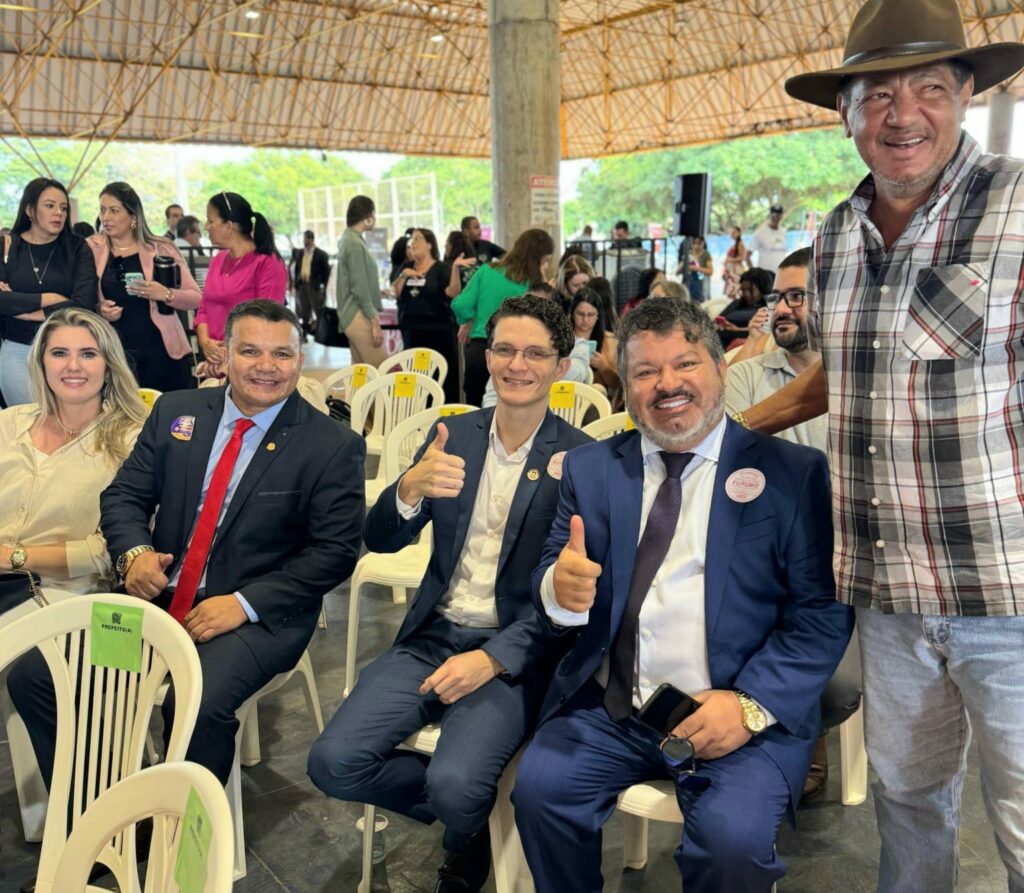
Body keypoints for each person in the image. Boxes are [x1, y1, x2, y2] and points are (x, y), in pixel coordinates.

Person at [735, 0, 1024, 887]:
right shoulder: (833, 239)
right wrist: (724, 430)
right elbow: (844, 377)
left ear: (966, 95)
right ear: (846, 113)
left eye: (929, 88)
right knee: (908, 796)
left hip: (1005, 590)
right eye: (877, 95)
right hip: (885, 590)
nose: (903, 115)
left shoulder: (1017, 206)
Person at [511, 297, 853, 892]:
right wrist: (557, 588)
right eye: (645, 372)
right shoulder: (591, 470)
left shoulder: (792, 474)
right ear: (628, 387)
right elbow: (553, 571)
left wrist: (749, 706)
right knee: (541, 794)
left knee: (732, 846)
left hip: (738, 716)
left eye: (686, 364)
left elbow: (821, 616)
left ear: (723, 368)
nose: (667, 384)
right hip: (610, 709)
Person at [11, 301, 368, 799]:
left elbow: (333, 552)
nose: (266, 366)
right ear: (224, 354)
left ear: (299, 358)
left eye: (281, 354)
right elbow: (124, 497)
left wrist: (242, 605)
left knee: (195, 700)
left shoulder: (330, 444)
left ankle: (178, 847)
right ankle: (95, 827)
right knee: (42, 675)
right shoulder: (178, 412)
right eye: (249, 351)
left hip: (256, 616)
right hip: (155, 600)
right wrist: (133, 554)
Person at [308, 295, 591, 893]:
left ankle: (465, 829)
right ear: (488, 356)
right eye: (506, 349)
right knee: (332, 763)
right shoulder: (452, 435)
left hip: (513, 653)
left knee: (457, 781)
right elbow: (380, 538)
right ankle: (477, 817)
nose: (518, 364)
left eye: (536, 353)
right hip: (432, 636)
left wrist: (492, 659)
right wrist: (407, 490)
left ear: (560, 366)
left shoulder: (583, 460)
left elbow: (568, 603)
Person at [724, 247, 861, 797]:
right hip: (762, 559)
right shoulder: (744, 376)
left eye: (798, 296)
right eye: (779, 296)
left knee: (841, 689)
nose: (783, 307)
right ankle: (778, 755)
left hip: (846, 564)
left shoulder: (860, 380)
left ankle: (797, 737)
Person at [0, 308, 146, 594]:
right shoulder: (8, 422)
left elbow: (112, 551)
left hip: (62, 603)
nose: (73, 366)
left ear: (109, 366)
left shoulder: (132, 441)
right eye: (59, 353)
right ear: (41, 363)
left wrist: (12, 558)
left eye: (89, 354)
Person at [89, 182, 201, 392]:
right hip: (115, 353)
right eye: (102, 210)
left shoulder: (161, 248)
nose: (106, 217)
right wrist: (99, 309)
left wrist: (166, 293)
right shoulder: (92, 248)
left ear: (133, 217)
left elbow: (196, 297)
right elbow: (83, 296)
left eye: (114, 211)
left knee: (169, 416)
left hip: (162, 351)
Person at [0, 178, 97, 406]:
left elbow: (84, 304)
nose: (59, 213)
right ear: (30, 210)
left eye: (63, 208)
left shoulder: (77, 248)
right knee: (27, 426)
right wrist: (52, 299)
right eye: (50, 205)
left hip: (69, 351)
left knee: (69, 426)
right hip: (18, 351)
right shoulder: (7, 246)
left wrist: (26, 311)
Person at [451, 228, 553, 407]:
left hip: (479, 352)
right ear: (540, 258)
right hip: (516, 356)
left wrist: (469, 320)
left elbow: (460, 305)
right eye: (546, 261)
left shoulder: (486, 270)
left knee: (475, 418)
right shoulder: (534, 286)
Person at [195, 192, 287, 379]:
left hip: (251, 368)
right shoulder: (218, 260)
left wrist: (230, 355)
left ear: (228, 226)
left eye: (210, 221)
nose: (206, 227)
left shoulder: (266, 263)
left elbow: (267, 321)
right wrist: (206, 343)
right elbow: (204, 309)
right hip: (215, 365)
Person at [392, 228, 458, 403]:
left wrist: (456, 269)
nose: (413, 243)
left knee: (439, 379)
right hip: (412, 333)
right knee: (415, 380)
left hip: (437, 333)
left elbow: (452, 293)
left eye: (418, 239)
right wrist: (405, 275)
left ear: (429, 244)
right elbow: (396, 292)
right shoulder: (406, 267)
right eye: (411, 240)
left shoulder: (441, 268)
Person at [335, 195, 386, 368]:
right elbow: (359, 287)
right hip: (359, 315)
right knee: (381, 371)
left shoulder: (349, 239)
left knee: (361, 374)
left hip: (351, 314)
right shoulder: (354, 244)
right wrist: (374, 321)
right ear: (367, 216)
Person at [570, 287, 618, 397]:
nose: (585, 320)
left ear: (598, 316)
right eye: (580, 314)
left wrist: (603, 366)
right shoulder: (562, 337)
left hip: (599, 398)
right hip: (569, 395)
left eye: (590, 315)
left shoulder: (609, 341)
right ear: (572, 314)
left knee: (598, 390)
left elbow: (618, 384)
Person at [716, 267, 772, 349]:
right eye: (743, 290)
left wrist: (738, 330)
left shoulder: (769, 308)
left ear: (762, 289)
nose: (746, 294)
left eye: (750, 290)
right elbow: (720, 317)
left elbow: (764, 330)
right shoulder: (738, 303)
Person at [290, 230, 331, 338]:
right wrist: (295, 284)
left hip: (315, 287)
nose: (304, 241)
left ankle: (322, 334)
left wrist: (326, 288)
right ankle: (304, 335)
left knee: (318, 310)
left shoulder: (321, 255)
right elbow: (297, 269)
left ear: (311, 239)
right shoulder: (300, 253)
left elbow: (326, 273)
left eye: (305, 239)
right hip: (302, 285)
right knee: (303, 311)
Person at [749, 205, 788, 272]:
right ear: (770, 215)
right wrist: (754, 273)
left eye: (779, 214)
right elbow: (747, 255)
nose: (776, 217)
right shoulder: (760, 232)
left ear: (781, 216)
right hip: (765, 277)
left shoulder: (783, 232)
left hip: (781, 276)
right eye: (774, 214)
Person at [678, 235, 714, 302]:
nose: (696, 246)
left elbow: (710, 271)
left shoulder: (706, 255)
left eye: (699, 244)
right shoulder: (688, 254)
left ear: (703, 243)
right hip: (688, 284)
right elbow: (678, 272)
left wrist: (696, 268)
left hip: (701, 285)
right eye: (694, 243)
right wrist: (684, 265)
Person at [721, 226, 749, 299]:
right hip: (731, 269)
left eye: (734, 232)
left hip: (736, 270)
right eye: (731, 232)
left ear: (739, 233)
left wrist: (730, 260)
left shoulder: (740, 243)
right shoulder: (735, 243)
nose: (732, 234)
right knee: (731, 291)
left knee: (734, 290)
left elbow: (742, 257)